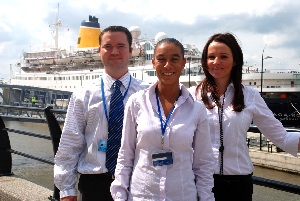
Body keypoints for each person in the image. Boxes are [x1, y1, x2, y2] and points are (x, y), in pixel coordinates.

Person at [192, 32, 300, 201]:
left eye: (223, 56)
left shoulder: (250, 96)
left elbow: (282, 137)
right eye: (211, 57)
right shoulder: (192, 95)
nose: (216, 62)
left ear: (235, 61)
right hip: (201, 181)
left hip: (238, 184)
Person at [110, 38, 215, 201]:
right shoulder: (137, 103)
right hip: (143, 195)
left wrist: (206, 197)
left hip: (182, 195)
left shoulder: (197, 109)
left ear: (183, 63)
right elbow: (125, 154)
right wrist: (119, 195)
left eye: (174, 59)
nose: (167, 65)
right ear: (153, 62)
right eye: (161, 59)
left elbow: (203, 163)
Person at [54, 26, 149, 201]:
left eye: (120, 46)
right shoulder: (83, 95)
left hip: (137, 182)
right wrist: (66, 189)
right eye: (108, 46)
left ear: (131, 50)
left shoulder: (147, 93)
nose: (114, 52)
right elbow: (70, 142)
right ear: (99, 51)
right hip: (95, 185)